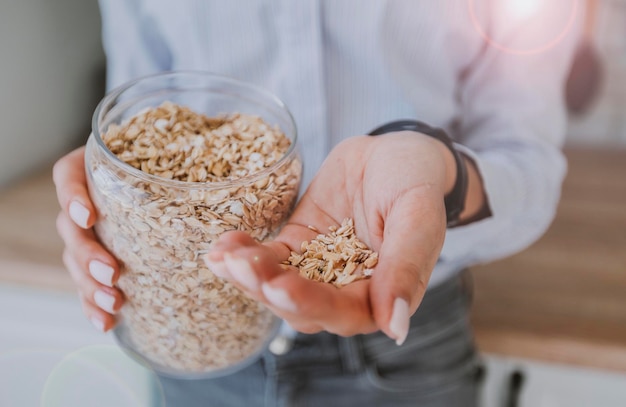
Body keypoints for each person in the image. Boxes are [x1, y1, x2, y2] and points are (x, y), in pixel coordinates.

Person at [53, 1, 583, 405]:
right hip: (193, 333)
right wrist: (108, 206)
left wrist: (442, 176)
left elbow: (527, 164)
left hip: (402, 349)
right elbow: (134, 118)